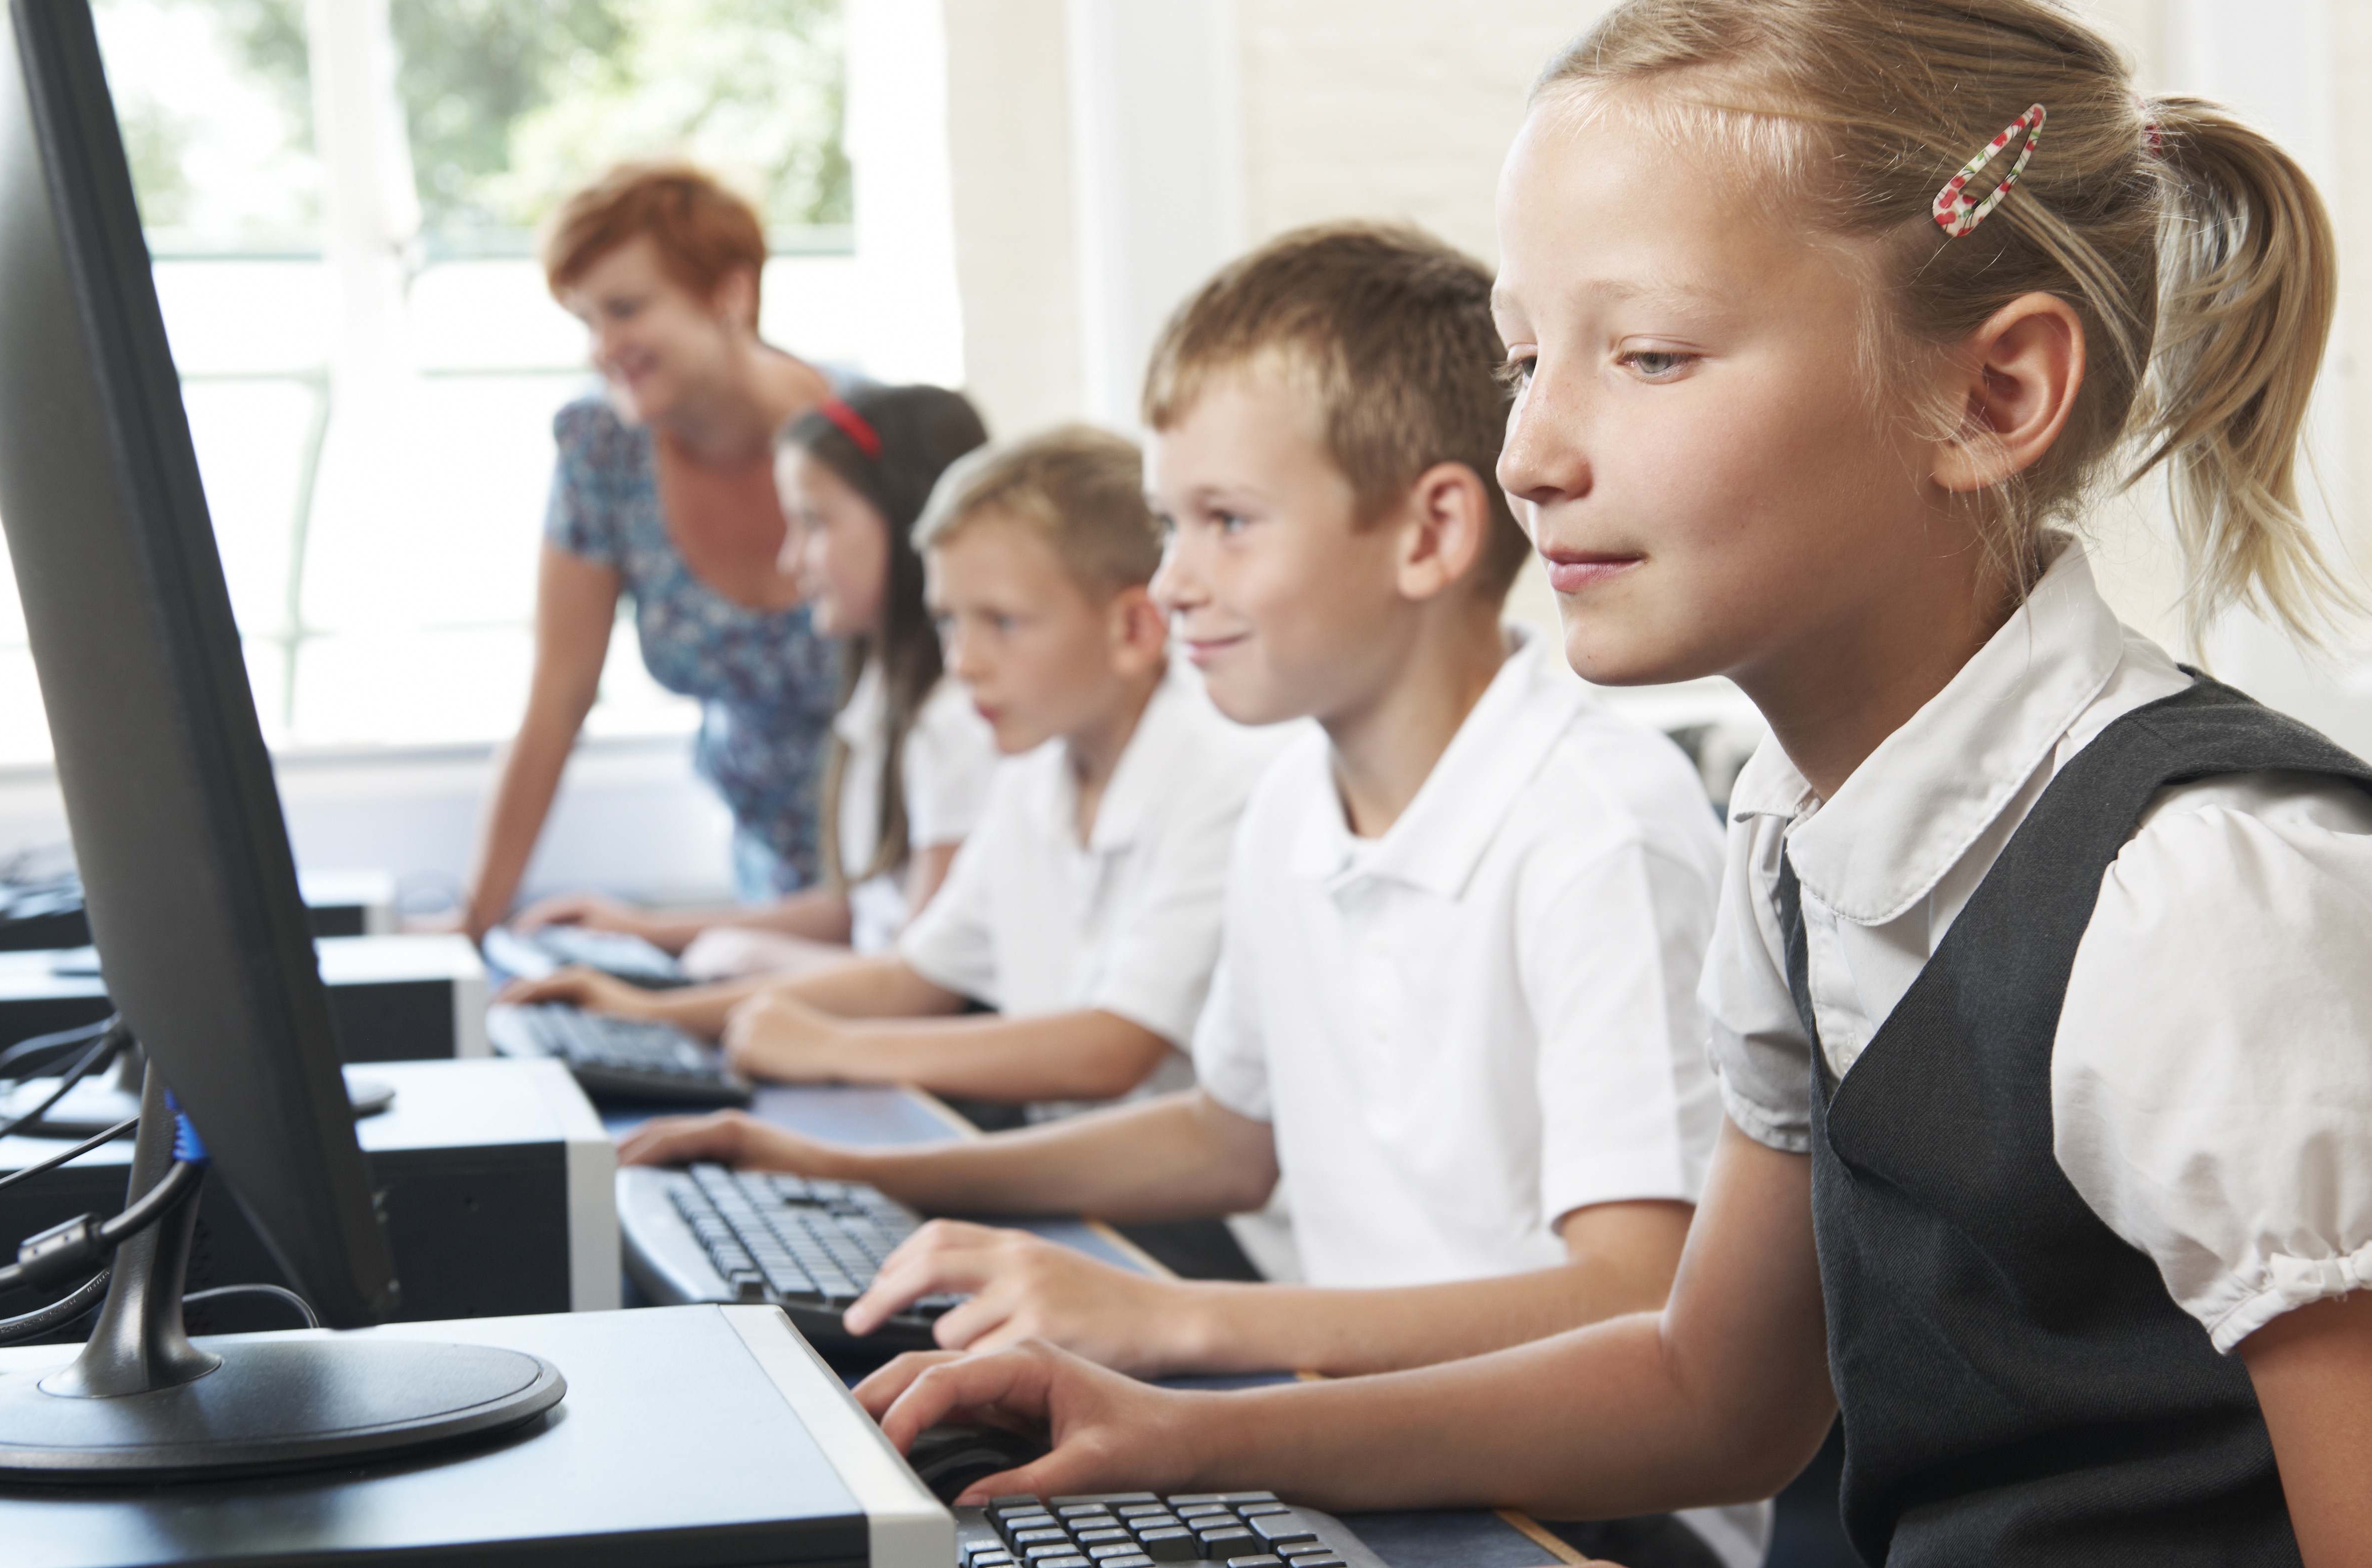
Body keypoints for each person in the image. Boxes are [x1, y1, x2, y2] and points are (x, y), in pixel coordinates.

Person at [843, 0, 2372, 1566]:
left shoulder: (2201, 897)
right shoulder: (1793, 839)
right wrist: (1185, 1433)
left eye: (1646, 355)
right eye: (1522, 359)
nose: (1528, 453)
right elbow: (1711, 1393)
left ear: (1990, 396)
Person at [623, 224, 1762, 1567]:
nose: (1171, 581)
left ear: (1431, 531)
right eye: (1171, 525)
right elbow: (1231, 1137)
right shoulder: (1295, 798)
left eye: (1225, 522)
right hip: (1360, 1424)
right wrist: (849, 1169)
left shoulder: (1596, 829)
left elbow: (1634, 1298)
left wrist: (1180, 1323)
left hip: (1585, 1507)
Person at [570, 426, 1286, 1114]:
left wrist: (836, 1049)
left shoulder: (1222, 777)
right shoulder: (1033, 776)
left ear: (1134, 630)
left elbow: (1111, 1048)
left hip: (1202, 1224)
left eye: (1001, 623)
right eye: (949, 622)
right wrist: (647, 1015)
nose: (962, 662)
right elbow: (912, 977)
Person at [501, 383, 999, 989]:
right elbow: (859, 909)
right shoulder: (880, 696)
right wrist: (646, 932)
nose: (791, 561)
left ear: (906, 521)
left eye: (814, 524)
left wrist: (678, 1000)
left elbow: (922, 982)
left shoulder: (957, 721)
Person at [458, 160, 846, 935]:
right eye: (586, 321)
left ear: (731, 296)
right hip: (766, 884)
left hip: (901, 870)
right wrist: (472, 930)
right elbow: (558, 699)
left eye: (626, 309)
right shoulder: (602, 449)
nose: (604, 347)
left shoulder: (865, 440)